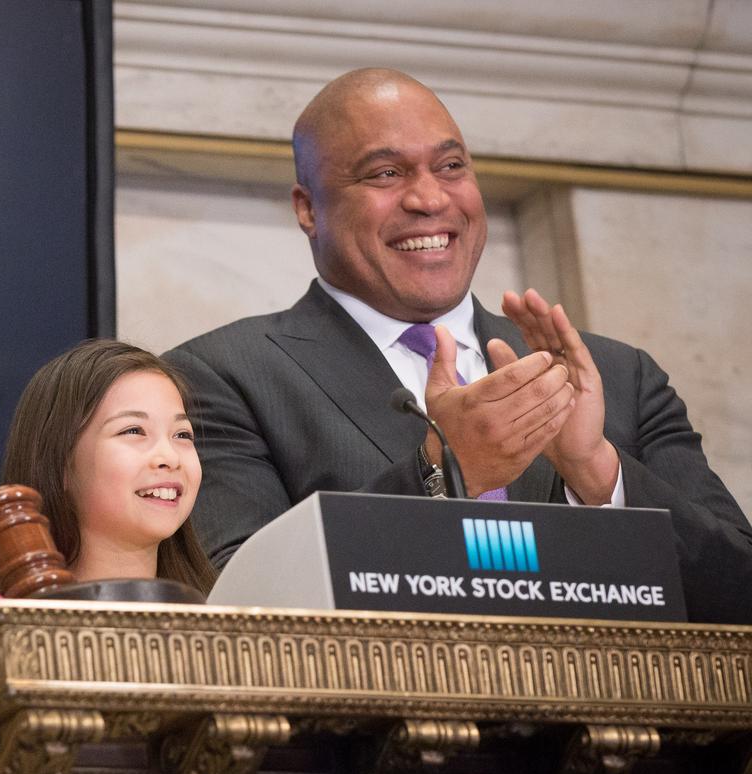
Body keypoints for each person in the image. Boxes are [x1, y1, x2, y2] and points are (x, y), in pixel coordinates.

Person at [163, 68, 752, 625]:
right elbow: (237, 608)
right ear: (308, 208)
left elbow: (740, 596)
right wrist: (444, 472)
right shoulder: (218, 378)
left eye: (450, 166)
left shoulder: (621, 376)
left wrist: (598, 473)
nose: (429, 199)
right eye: (385, 174)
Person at [0, 340, 215, 592]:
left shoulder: (229, 621)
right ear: (60, 464)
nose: (170, 457)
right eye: (133, 430)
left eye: (182, 435)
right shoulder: (1, 621)